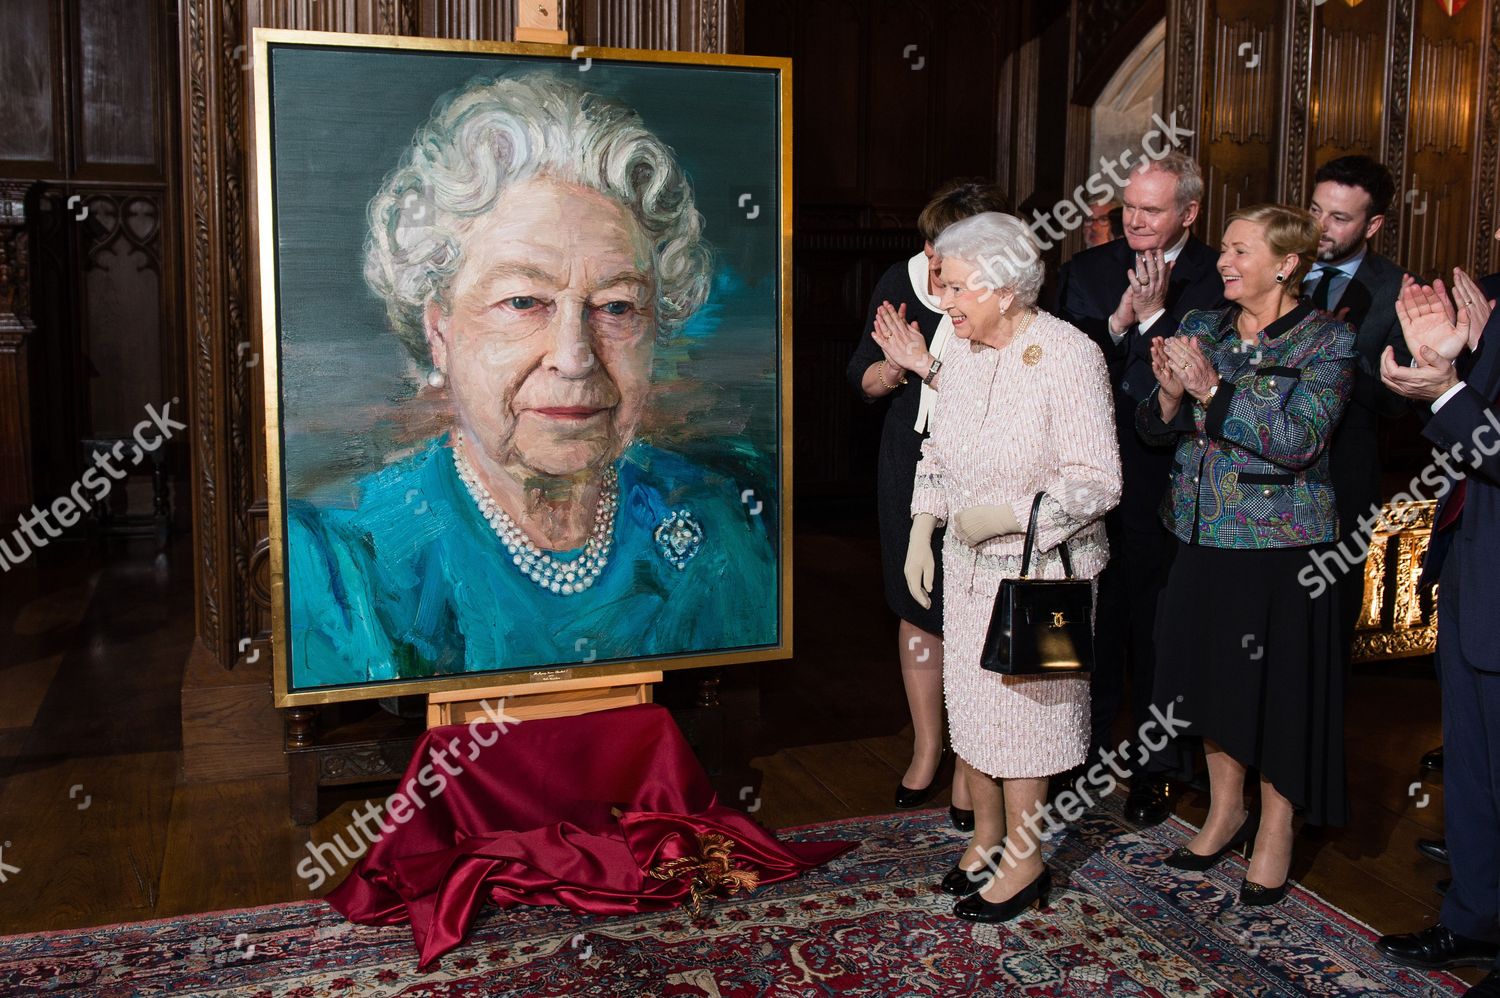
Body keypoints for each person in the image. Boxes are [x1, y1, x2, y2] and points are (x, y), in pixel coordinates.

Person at [286, 75, 776, 687]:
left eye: (618, 307)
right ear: (440, 330)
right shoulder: (343, 562)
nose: (574, 358)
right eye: (523, 301)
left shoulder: (721, 525)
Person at [898, 212, 1121, 923]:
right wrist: (922, 523)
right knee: (972, 705)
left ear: (1001, 287)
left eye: (957, 287)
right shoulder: (960, 352)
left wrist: (1014, 515)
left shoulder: (1067, 354)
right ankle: (987, 837)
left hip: (1041, 573)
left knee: (1027, 722)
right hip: (964, 565)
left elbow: (1099, 481)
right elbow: (936, 451)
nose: (945, 302)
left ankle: (1026, 858)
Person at [1139, 204, 1354, 906]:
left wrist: (1210, 390)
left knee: (1276, 693)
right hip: (1198, 538)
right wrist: (1169, 396)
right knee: (1207, 684)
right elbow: (1152, 425)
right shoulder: (1201, 325)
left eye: (1239, 251)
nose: (1222, 262)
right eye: (1224, 250)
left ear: (1288, 264)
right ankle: (1224, 811)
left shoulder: (1328, 342)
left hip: (1281, 550)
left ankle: (1276, 829)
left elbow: (1298, 442)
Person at [1053, 152, 1225, 825]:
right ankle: (1081, 756)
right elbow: (1067, 363)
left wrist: (1154, 322)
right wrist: (1123, 324)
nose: (1137, 220)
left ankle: (1159, 767)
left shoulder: (1220, 277)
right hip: (1090, 475)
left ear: (1188, 211)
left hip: (1174, 484)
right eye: (1130, 207)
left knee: (1160, 630)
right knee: (1090, 624)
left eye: (1153, 210)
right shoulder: (1088, 271)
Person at [846, 179, 1011, 828]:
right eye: (930, 244)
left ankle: (975, 765)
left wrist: (927, 363)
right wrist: (893, 369)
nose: (932, 257)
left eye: (948, 246)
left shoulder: (1007, 294)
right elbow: (863, 375)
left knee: (975, 613)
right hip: (910, 462)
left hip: (986, 471)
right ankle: (926, 749)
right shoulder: (901, 280)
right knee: (918, 607)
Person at [1375, 274, 1500, 997]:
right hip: (1475, 568)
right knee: (1475, 773)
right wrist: (1456, 363)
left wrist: (1449, 389)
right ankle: (1474, 916)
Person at [1305, 155, 1413, 641]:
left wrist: (1342, 349)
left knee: (1330, 620)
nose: (1319, 228)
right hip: (1256, 485)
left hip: (1344, 481)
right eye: (1314, 211)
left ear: (1373, 225)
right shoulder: (1272, 263)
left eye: (1339, 218)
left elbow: (1399, 402)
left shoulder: (1398, 291)